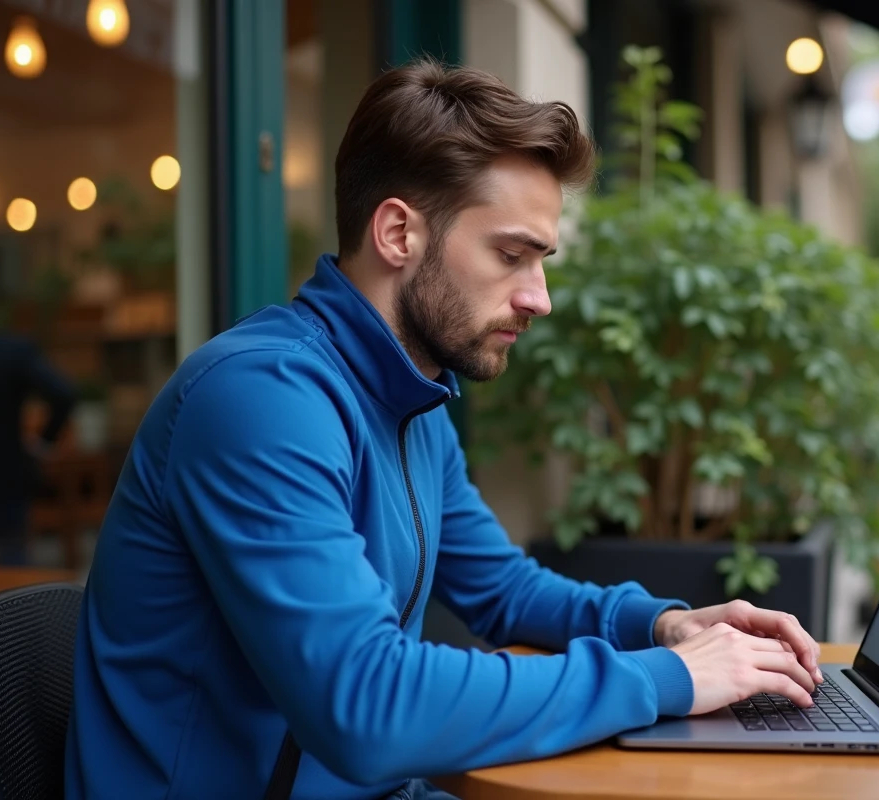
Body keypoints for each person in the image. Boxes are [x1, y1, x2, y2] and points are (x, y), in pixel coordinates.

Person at [65, 60, 825, 800]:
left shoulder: (411, 400)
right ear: (399, 234)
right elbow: (365, 706)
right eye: (511, 256)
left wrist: (664, 625)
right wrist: (673, 680)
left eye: (542, 261)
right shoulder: (263, 399)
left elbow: (503, 589)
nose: (541, 299)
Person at [0, 279, 75, 565]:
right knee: (10, 585)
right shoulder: (10, 351)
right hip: (2, 480)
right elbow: (63, 393)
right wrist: (44, 441)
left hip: (3, 483)